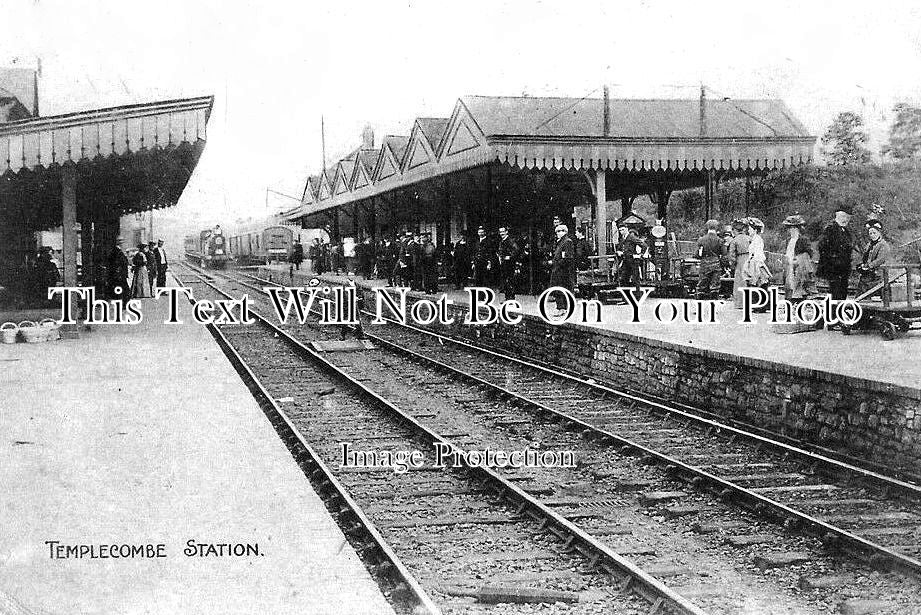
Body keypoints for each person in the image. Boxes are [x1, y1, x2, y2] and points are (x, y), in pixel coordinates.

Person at [817, 205, 854, 300]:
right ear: (836, 216)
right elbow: (822, 247)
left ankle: (838, 312)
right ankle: (833, 314)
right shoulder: (830, 229)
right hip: (833, 268)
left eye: (847, 217)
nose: (845, 220)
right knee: (835, 292)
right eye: (843, 217)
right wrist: (834, 259)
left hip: (843, 268)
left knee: (843, 291)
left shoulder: (846, 231)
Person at [781, 215, 817, 302]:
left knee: (799, 286)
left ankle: (799, 301)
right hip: (789, 265)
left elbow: (810, 252)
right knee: (789, 285)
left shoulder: (803, 240)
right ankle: (790, 301)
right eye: (790, 228)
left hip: (799, 267)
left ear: (797, 228)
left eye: (793, 228)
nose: (791, 230)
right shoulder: (788, 240)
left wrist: (800, 259)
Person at [856, 219, 893, 296]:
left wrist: (868, 266)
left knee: (874, 296)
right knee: (861, 294)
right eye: (870, 233)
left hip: (878, 275)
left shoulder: (883, 245)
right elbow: (865, 258)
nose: (872, 235)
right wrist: (862, 265)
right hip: (867, 274)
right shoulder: (869, 245)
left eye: (874, 233)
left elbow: (880, 260)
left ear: (879, 233)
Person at [696, 219, 726, 300]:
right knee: (715, 287)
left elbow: (697, 254)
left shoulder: (701, 240)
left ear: (707, 227)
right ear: (717, 228)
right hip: (716, 264)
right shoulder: (720, 240)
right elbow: (724, 255)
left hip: (704, 264)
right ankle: (714, 305)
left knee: (702, 286)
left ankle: (700, 305)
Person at [550, 224, 575, 314]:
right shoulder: (560, 242)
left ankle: (562, 308)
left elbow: (567, 257)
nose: (558, 233)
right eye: (557, 231)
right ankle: (561, 307)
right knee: (558, 289)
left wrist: (556, 263)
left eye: (560, 231)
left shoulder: (567, 242)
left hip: (563, 270)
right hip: (558, 269)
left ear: (564, 232)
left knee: (562, 288)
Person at [727, 219, 751, 309]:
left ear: (735, 230)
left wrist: (732, 266)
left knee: (739, 282)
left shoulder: (734, 240)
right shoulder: (749, 238)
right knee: (749, 281)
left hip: (740, 260)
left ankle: (740, 303)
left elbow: (732, 255)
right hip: (749, 259)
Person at [616, 225, 646, 290]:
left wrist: (640, 254)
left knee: (635, 280)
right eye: (620, 230)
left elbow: (644, 245)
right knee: (624, 279)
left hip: (633, 261)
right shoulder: (622, 239)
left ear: (627, 229)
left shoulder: (631, 237)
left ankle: (637, 297)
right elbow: (622, 248)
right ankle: (626, 297)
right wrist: (619, 252)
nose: (621, 232)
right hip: (625, 261)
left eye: (623, 230)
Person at [496, 226, 521, 301]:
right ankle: (507, 298)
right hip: (504, 264)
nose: (501, 233)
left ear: (506, 232)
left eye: (503, 231)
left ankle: (511, 298)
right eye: (500, 232)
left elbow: (517, 249)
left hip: (509, 264)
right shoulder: (502, 241)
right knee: (505, 281)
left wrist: (510, 257)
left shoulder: (510, 240)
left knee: (510, 281)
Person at [107, 238, 131, 305]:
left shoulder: (116, 251)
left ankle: (123, 302)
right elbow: (119, 262)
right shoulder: (118, 251)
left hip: (119, 273)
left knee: (122, 289)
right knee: (124, 289)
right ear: (120, 244)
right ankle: (124, 303)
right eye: (122, 243)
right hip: (120, 274)